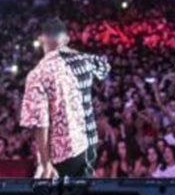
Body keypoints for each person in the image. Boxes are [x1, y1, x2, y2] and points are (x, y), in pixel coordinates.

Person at [20, 17, 110, 178]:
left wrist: (45, 162)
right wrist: (72, 51)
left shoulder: (37, 74)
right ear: (66, 40)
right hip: (88, 146)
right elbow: (104, 67)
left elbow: (40, 123)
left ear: (41, 39)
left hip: (61, 154)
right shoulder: (85, 61)